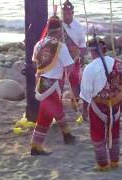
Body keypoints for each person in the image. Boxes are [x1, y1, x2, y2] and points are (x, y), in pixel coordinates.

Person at [30, 15, 76, 156]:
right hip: (54, 85)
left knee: (57, 110)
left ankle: (67, 134)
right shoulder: (60, 47)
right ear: (58, 31)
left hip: (42, 82)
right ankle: (36, 147)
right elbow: (69, 66)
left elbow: (34, 63)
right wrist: (75, 57)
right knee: (47, 116)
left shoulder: (39, 44)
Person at [80, 38, 122, 171]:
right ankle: (115, 161)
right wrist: (121, 101)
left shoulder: (90, 68)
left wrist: (84, 109)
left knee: (98, 134)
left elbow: (86, 92)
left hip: (98, 107)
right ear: (105, 49)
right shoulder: (118, 64)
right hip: (116, 104)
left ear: (92, 52)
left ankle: (103, 165)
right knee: (115, 132)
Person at [61, 0, 86, 109]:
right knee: (58, 79)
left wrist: (81, 57)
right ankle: (57, 100)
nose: (66, 15)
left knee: (74, 78)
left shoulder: (78, 26)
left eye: (68, 12)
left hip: (73, 56)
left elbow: (82, 44)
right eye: (64, 12)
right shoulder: (57, 25)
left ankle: (75, 103)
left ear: (72, 13)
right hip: (59, 56)